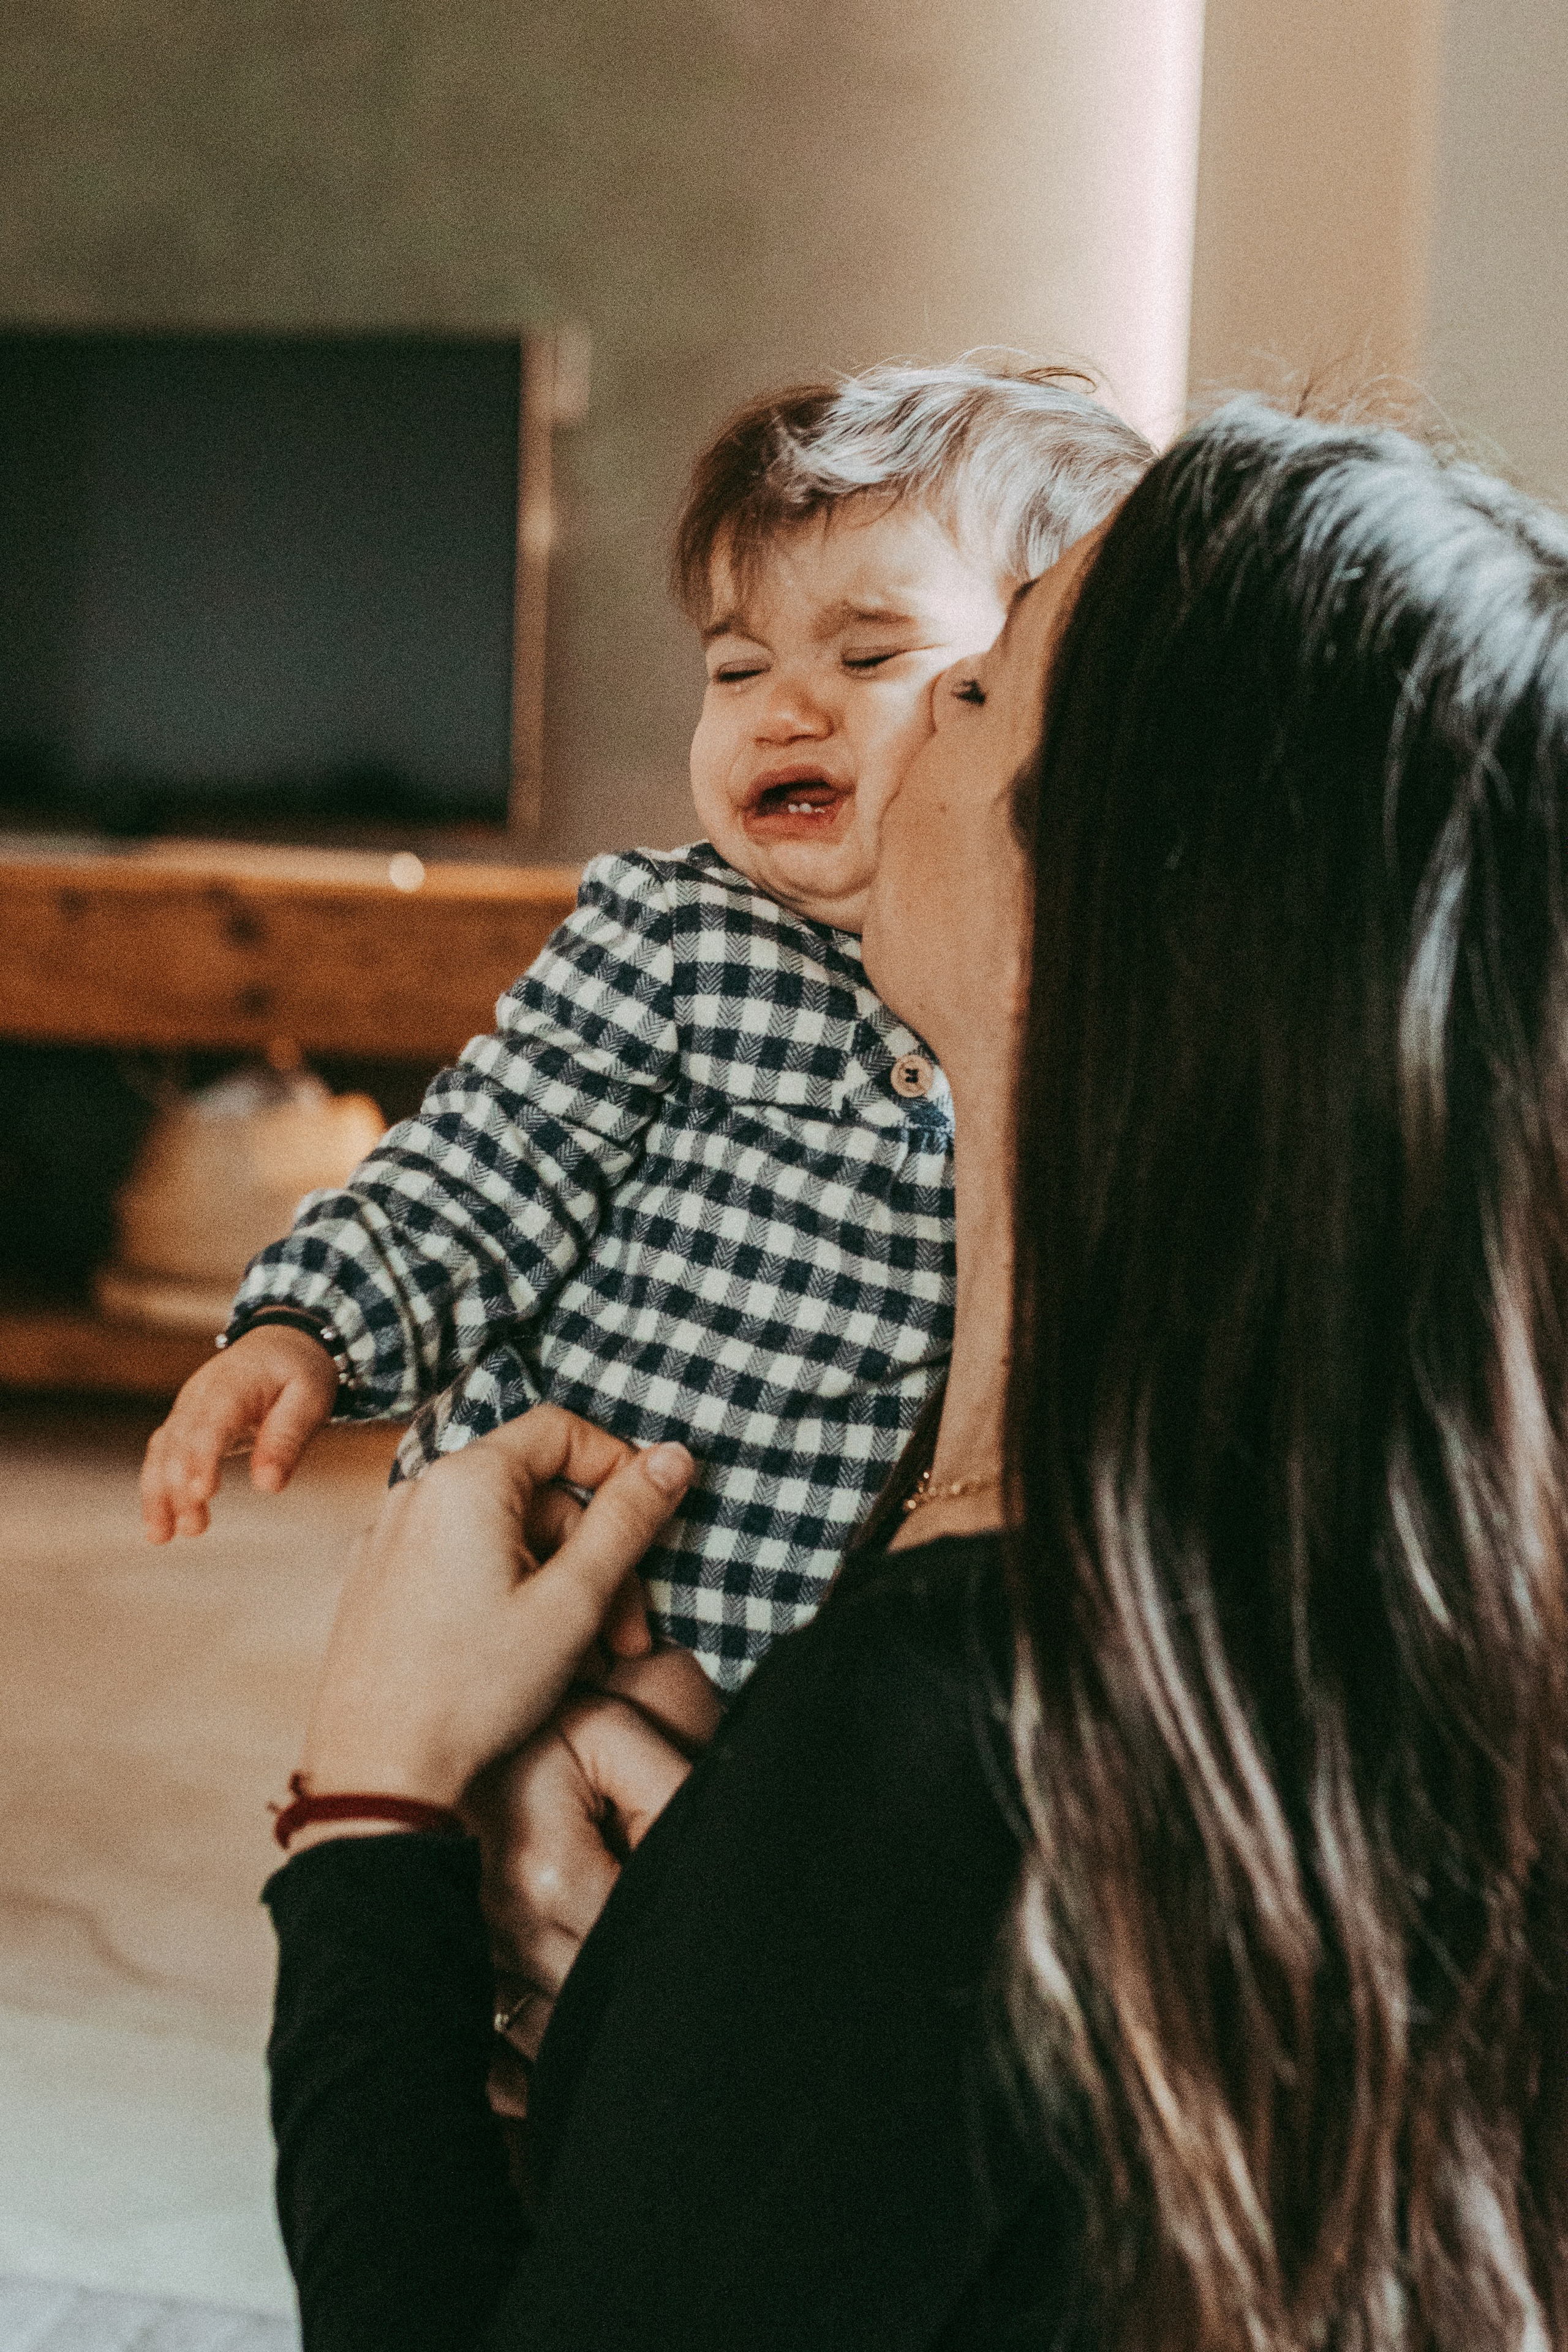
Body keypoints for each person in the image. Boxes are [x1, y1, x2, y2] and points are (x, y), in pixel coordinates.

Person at [265, 399, 1568, 2351]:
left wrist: (372, 1815)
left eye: (968, 688)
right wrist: (697, 1997)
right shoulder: (1381, 1643)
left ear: (1090, 913)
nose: (869, 724)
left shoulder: (932, 1741)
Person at [139, 361, 1150, 1691]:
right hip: (557, 1611)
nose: (783, 709)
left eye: (868, 656)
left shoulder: (1101, 999)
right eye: (736, 668)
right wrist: (306, 1327)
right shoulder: (674, 937)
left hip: (827, 1682)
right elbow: (479, 1170)